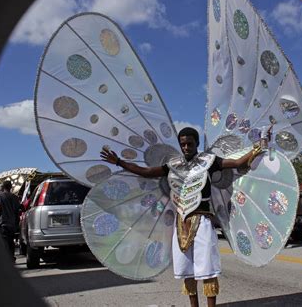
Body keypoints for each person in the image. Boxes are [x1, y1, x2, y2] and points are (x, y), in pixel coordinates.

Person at [100, 127, 269, 307]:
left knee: (208, 270)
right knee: (187, 271)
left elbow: (237, 163)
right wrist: (118, 161)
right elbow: (146, 172)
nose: (186, 147)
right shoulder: (174, 165)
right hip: (181, 223)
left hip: (203, 222)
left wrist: (259, 147)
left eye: (190, 143)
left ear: (196, 143)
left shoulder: (209, 161)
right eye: (183, 144)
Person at [0, 180, 22, 262]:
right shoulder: (15, 197)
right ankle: (11, 258)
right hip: (12, 223)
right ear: (11, 187)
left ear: (3, 187)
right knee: (11, 241)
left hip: (2, 222)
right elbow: (18, 210)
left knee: (4, 241)